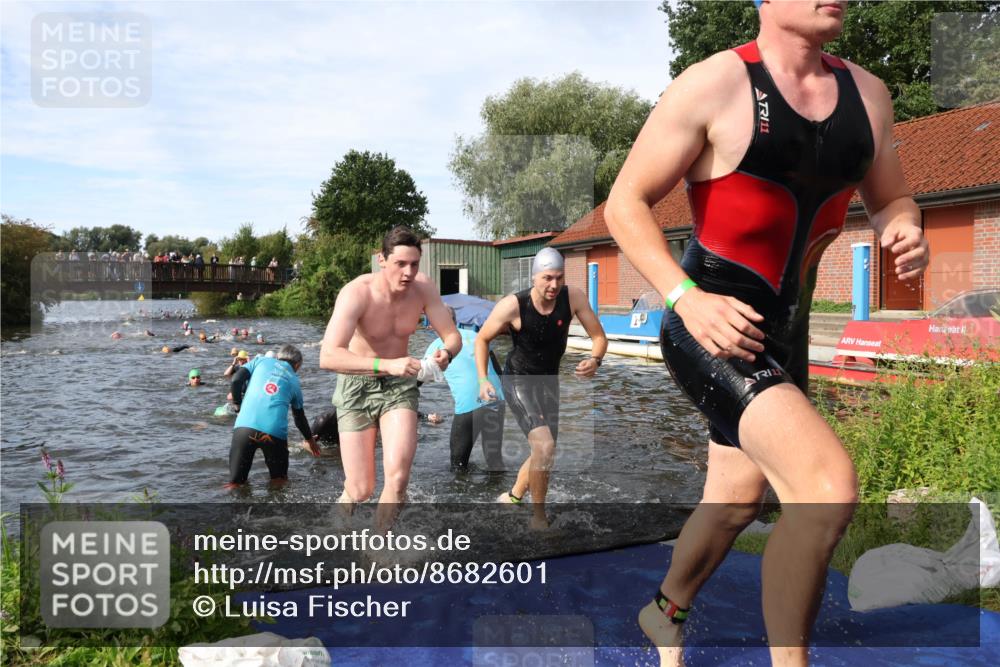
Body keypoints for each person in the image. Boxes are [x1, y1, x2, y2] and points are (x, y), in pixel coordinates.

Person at [603, 2, 929, 664]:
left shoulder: (869, 94)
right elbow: (623, 204)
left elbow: (891, 196)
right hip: (712, 324)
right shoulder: (714, 83)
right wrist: (686, 298)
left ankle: (664, 613)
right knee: (824, 487)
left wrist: (904, 225)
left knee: (735, 500)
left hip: (787, 328)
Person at [319, 226, 461, 530]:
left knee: (397, 480)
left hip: (399, 387)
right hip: (357, 385)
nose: (408, 273)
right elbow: (328, 356)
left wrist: (447, 353)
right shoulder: (357, 292)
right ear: (382, 260)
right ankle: (339, 520)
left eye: (414, 264)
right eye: (400, 264)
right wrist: (387, 364)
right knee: (361, 489)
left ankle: (377, 548)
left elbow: (452, 335)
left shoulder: (423, 288)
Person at [476, 247, 607, 529]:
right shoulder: (513, 305)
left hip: (548, 382)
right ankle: (539, 517)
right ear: (534, 277)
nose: (554, 285)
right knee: (544, 446)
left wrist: (595, 360)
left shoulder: (573, 297)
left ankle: (513, 496)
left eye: (559, 278)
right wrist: (483, 379)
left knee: (545, 451)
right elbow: (482, 339)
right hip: (518, 380)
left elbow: (599, 337)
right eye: (547, 278)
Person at [424, 307, 506, 473]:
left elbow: (419, 380)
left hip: (470, 403)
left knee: (458, 466)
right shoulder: (476, 335)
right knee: (494, 459)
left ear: (433, 325)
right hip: (497, 397)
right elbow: (498, 371)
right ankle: (501, 487)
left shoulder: (436, 347)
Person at [226, 344, 320, 488]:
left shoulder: (260, 361)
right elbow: (299, 418)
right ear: (297, 365)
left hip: (244, 427)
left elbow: (236, 380)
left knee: (235, 484)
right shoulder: (295, 381)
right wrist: (310, 440)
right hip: (273, 433)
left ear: (278, 357)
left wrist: (238, 406)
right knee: (279, 482)